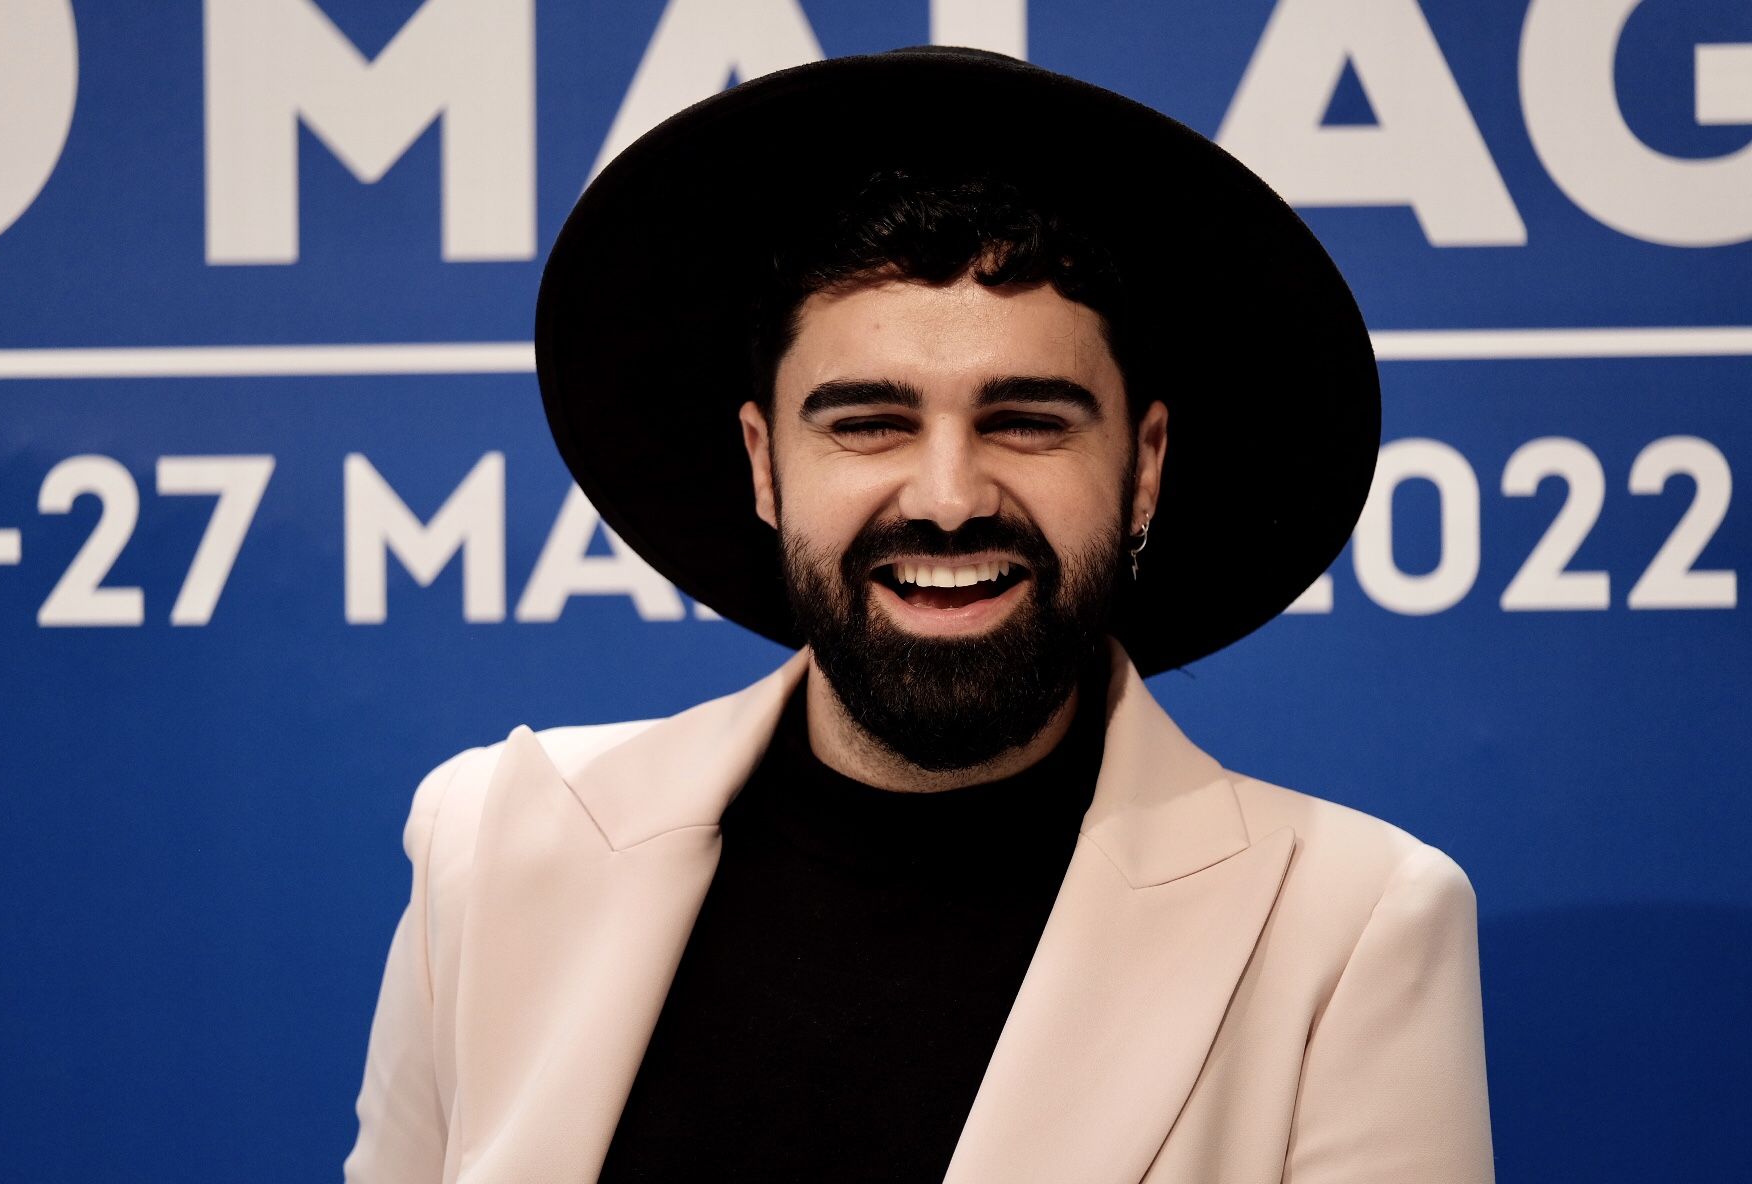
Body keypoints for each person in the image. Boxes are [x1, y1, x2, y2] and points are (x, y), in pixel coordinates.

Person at [345, 48, 1493, 1184]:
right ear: (764, 462)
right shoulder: (494, 843)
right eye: (868, 421)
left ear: (1144, 467)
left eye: (1029, 420)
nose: (949, 497)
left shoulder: (1347, 924)